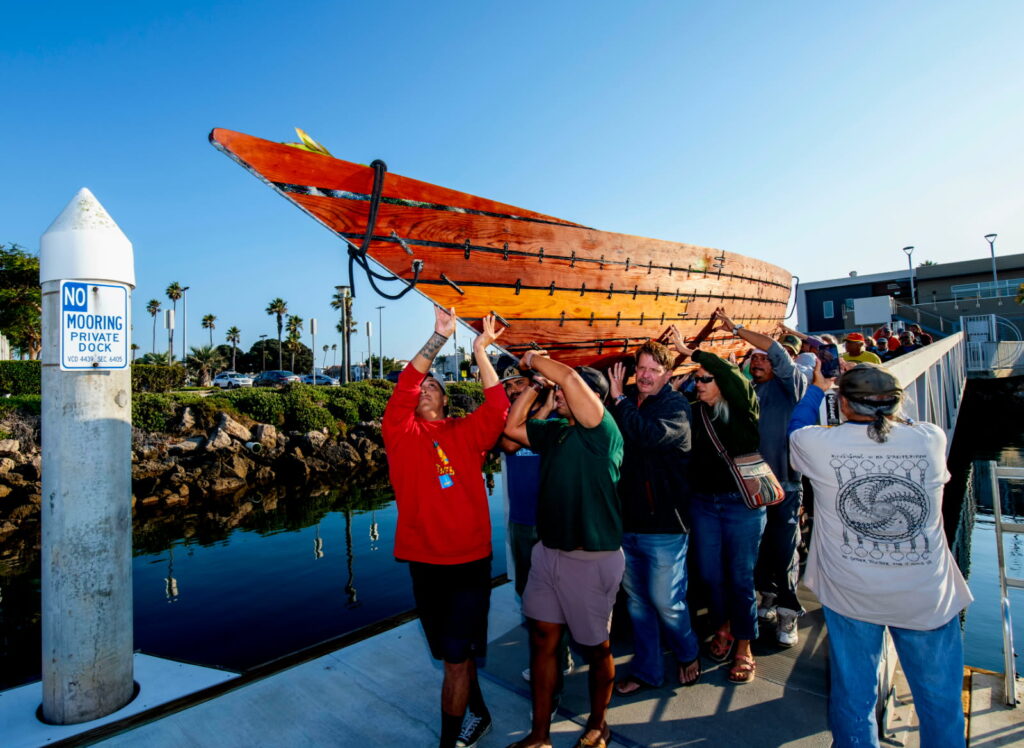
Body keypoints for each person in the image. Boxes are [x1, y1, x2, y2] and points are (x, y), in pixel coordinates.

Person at [788, 363, 972, 747]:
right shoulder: (930, 439)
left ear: (842, 404)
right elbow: (903, 424)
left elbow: (797, 426)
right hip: (927, 598)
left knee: (854, 701)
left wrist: (818, 388)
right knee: (940, 705)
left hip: (852, 595)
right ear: (896, 403)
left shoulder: (819, 444)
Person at [381, 308, 509, 748]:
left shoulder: (466, 432)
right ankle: (481, 714)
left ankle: (448, 743)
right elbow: (404, 385)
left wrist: (479, 351)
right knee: (454, 652)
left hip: (470, 563)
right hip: (423, 562)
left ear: (445, 399)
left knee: (455, 659)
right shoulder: (399, 432)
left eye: (434, 384)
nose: (425, 387)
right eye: (423, 384)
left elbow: (497, 407)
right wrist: (439, 337)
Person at [503, 352, 624, 748]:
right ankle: (540, 735)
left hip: (591, 559)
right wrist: (536, 385)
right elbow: (513, 427)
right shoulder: (555, 432)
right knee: (541, 640)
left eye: (566, 392)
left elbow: (570, 376)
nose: (560, 393)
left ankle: (599, 724)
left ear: (594, 400)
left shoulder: (603, 432)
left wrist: (537, 359)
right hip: (547, 554)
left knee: (595, 648)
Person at [668, 323, 764, 685]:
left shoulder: (742, 409)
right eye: (697, 379)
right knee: (709, 574)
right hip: (704, 504)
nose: (699, 383)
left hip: (742, 505)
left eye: (705, 379)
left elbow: (730, 375)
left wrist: (692, 351)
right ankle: (724, 622)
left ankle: (744, 643)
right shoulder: (695, 409)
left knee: (740, 576)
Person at [606, 340, 700, 694]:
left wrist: (619, 399)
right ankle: (648, 670)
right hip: (628, 523)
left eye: (653, 370)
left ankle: (688, 652)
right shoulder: (629, 403)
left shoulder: (674, 405)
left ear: (667, 375)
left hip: (664, 525)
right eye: (640, 369)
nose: (644, 376)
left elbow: (649, 436)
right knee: (639, 604)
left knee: (666, 602)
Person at [718, 309, 807, 647]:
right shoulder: (750, 389)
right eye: (752, 358)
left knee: (784, 551)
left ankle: (788, 612)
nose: (758, 362)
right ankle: (766, 597)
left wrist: (737, 328)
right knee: (754, 548)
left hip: (784, 483)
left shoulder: (792, 385)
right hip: (751, 484)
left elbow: (776, 350)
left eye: (763, 358)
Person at [492, 354, 575, 690]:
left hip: (554, 522)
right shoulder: (507, 417)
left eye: (520, 383)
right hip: (522, 523)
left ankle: (559, 655)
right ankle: (545, 654)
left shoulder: (561, 413)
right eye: (509, 386)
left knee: (558, 594)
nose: (513, 391)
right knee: (527, 594)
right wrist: (532, 405)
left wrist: (542, 399)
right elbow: (511, 443)